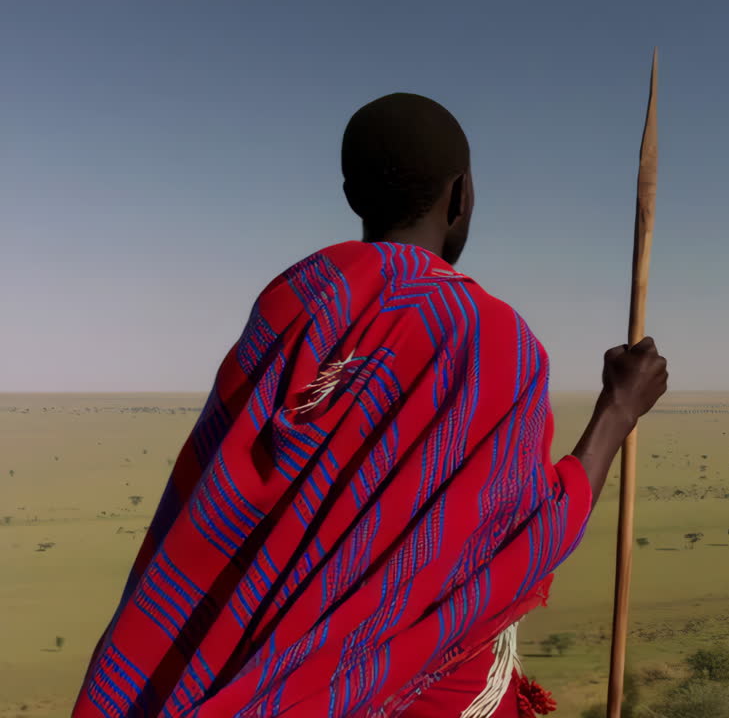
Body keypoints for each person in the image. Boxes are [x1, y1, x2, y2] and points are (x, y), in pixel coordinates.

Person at [71, 93, 668, 718]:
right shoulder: (484, 336)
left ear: (353, 193)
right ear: (461, 195)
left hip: (224, 671)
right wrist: (618, 410)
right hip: (411, 692)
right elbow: (530, 533)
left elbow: (224, 508)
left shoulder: (292, 302)